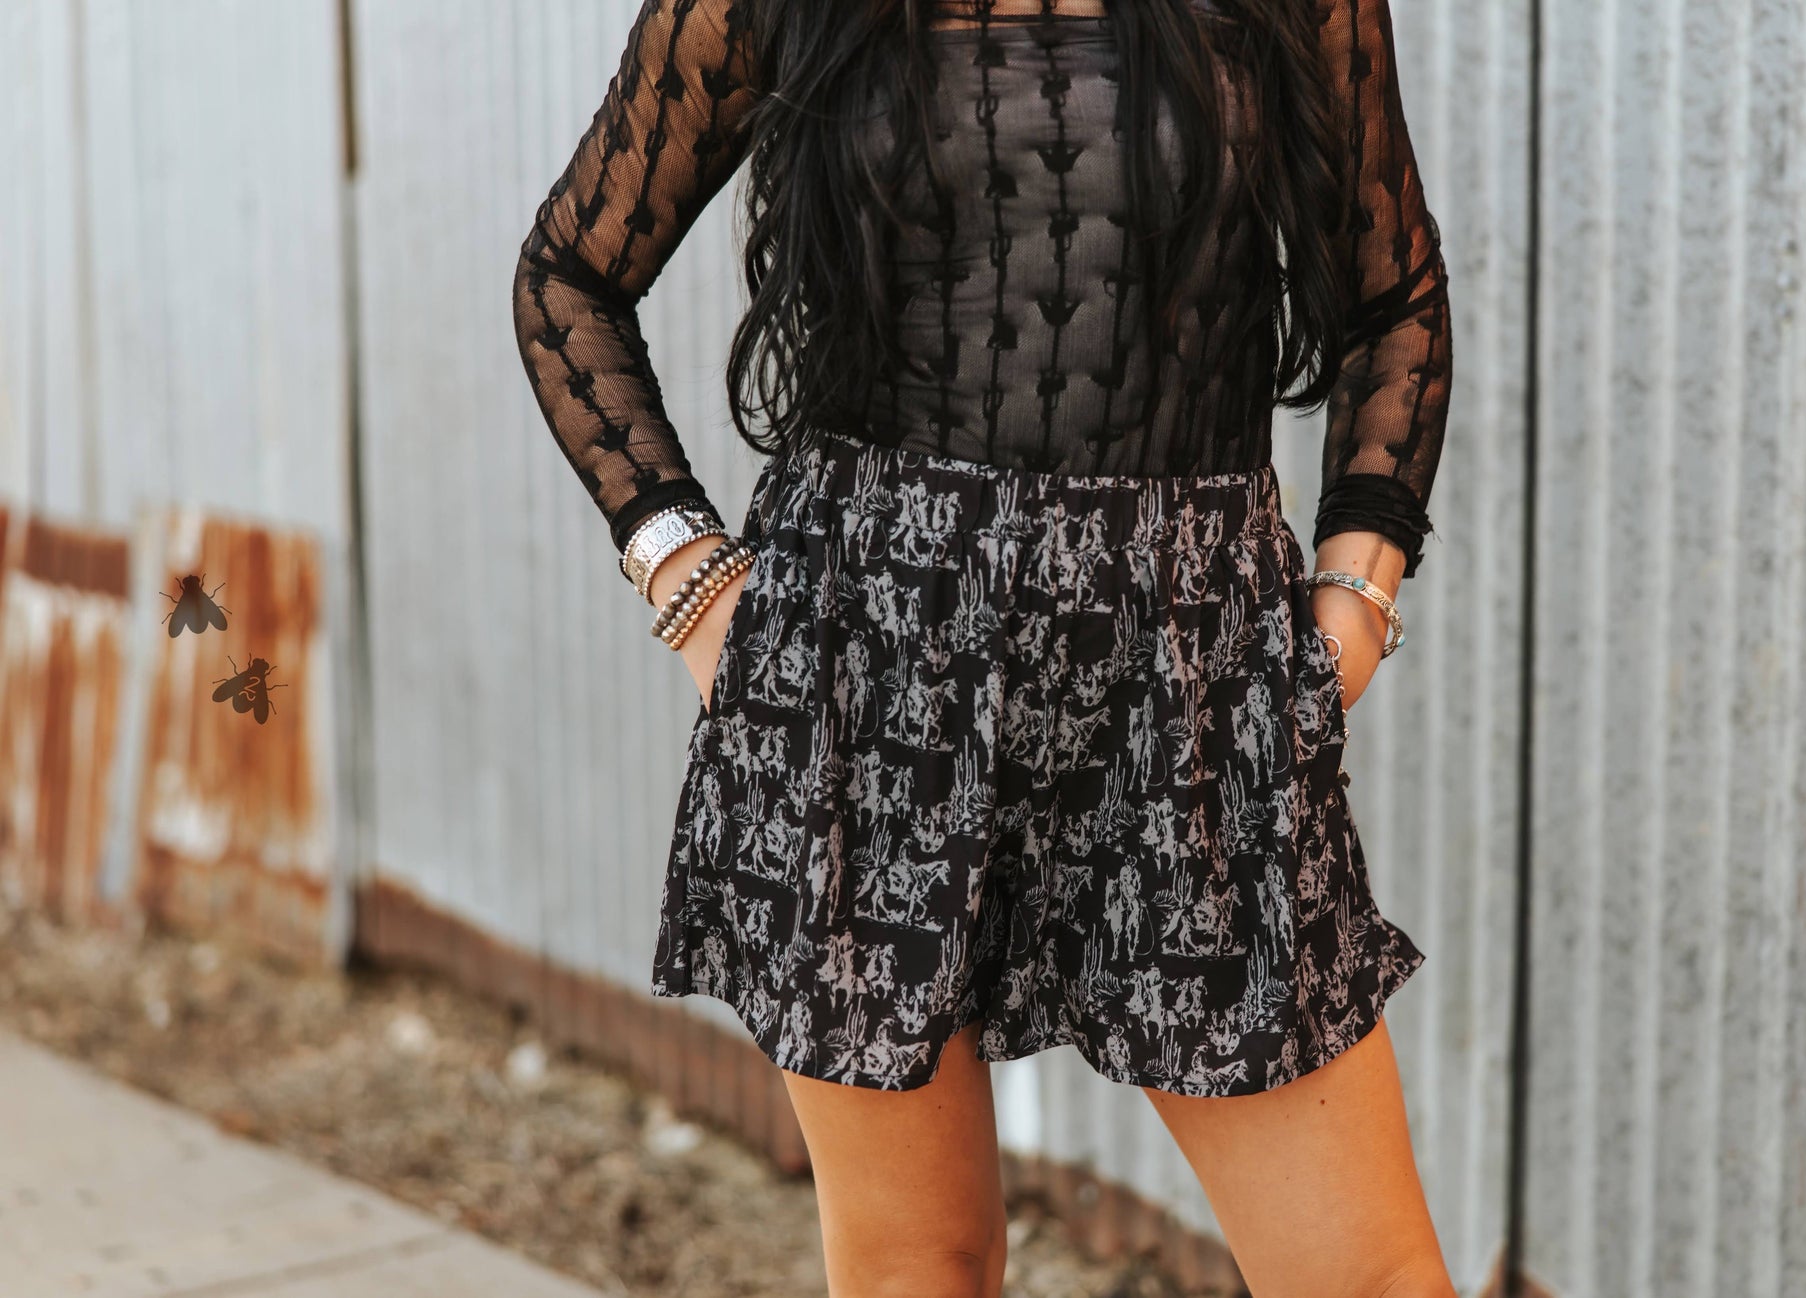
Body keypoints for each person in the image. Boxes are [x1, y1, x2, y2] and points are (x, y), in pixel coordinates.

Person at [512, 1, 1455, 1293]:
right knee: (922, 1266)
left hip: (1187, 681)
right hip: (871, 667)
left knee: (1369, 1277)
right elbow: (568, 278)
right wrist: (694, 583)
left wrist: (1351, 603)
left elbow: (1394, 297)